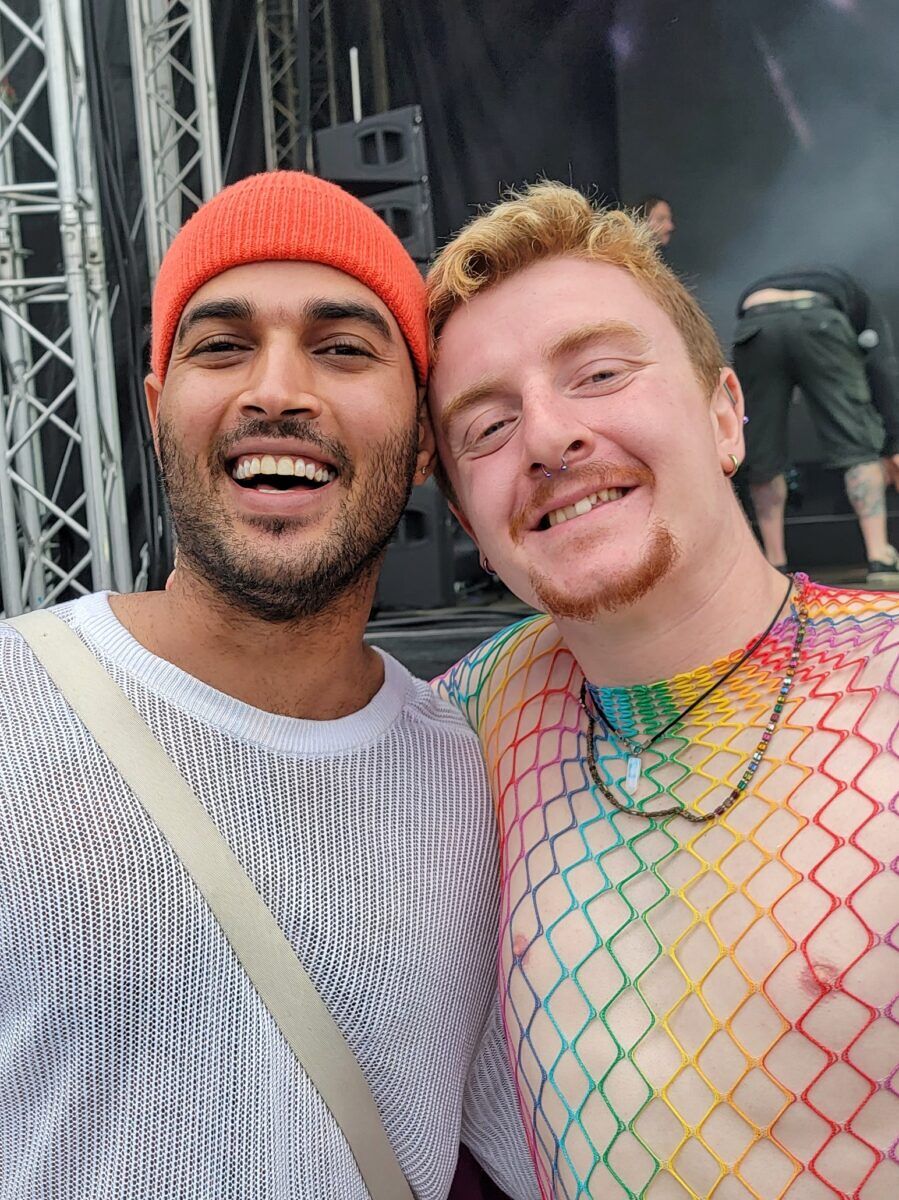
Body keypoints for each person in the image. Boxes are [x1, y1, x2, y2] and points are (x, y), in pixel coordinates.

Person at [0, 172, 537, 1200]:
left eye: (341, 348)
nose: (276, 390)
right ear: (160, 412)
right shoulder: (14, 701)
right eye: (221, 345)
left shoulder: (476, 781)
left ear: (423, 437)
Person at [425, 183, 899, 1200]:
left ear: (726, 416)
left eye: (597, 373)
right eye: (487, 427)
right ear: (468, 518)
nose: (547, 438)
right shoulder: (464, 721)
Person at [733, 267, 899, 585]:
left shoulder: (771, 282)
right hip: (820, 318)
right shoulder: (858, 299)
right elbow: (882, 368)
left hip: (756, 320)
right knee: (856, 443)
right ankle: (880, 556)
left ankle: (775, 564)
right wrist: (894, 443)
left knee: (762, 449)